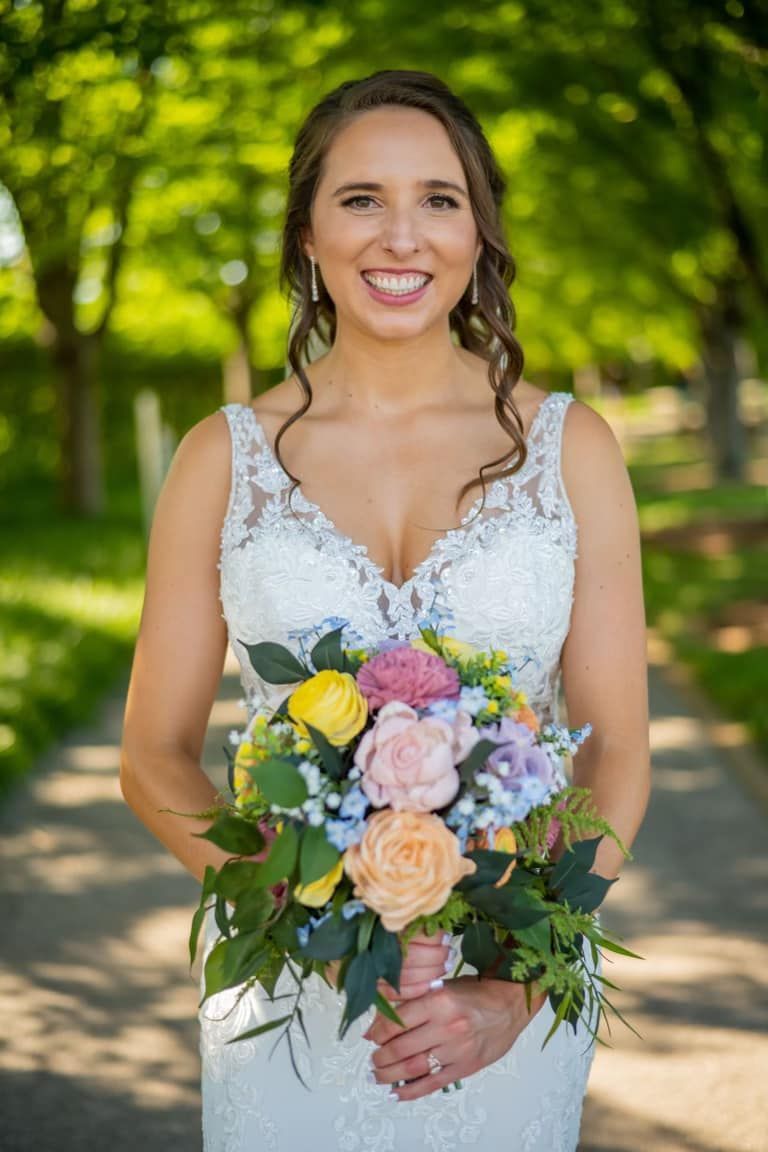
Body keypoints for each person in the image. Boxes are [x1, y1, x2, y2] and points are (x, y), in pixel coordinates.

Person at [120, 68, 651, 1151]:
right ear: (307, 234)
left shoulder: (573, 449)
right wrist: (308, 929)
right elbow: (152, 756)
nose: (399, 236)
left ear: (478, 232)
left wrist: (515, 987)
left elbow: (617, 753)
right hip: (287, 993)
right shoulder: (222, 458)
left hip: (504, 990)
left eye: (438, 199)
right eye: (361, 198)